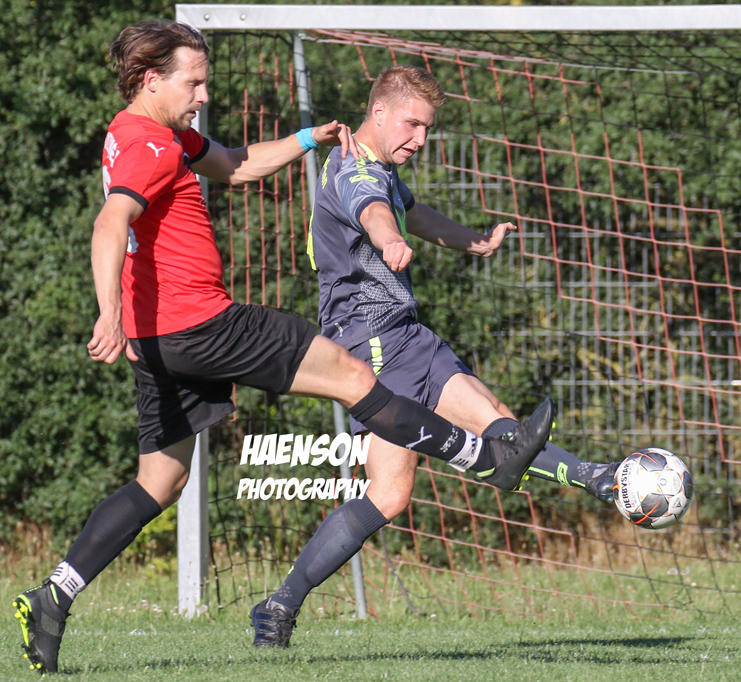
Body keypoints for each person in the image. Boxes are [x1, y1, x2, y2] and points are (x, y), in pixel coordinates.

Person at [11, 22, 555, 674]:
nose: (204, 94)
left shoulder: (149, 132)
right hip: (204, 323)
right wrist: (107, 313)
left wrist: (306, 139)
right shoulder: (150, 144)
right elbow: (111, 222)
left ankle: (55, 596)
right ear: (151, 80)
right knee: (354, 375)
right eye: (194, 82)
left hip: (159, 338)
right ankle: (487, 457)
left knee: (161, 479)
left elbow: (232, 165)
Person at [250, 65, 620, 648]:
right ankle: (279, 605)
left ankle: (600, 479)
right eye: (412, 124)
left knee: (494, 432)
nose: (420, 138)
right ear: (379, 112)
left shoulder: (381, 167)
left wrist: (474, 241)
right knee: (397, 489)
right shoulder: (354, 169)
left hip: (407, 334)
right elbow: (375, 211)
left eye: (427, 127)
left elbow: (410, 211)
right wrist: (388, 239)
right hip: (370, 343)